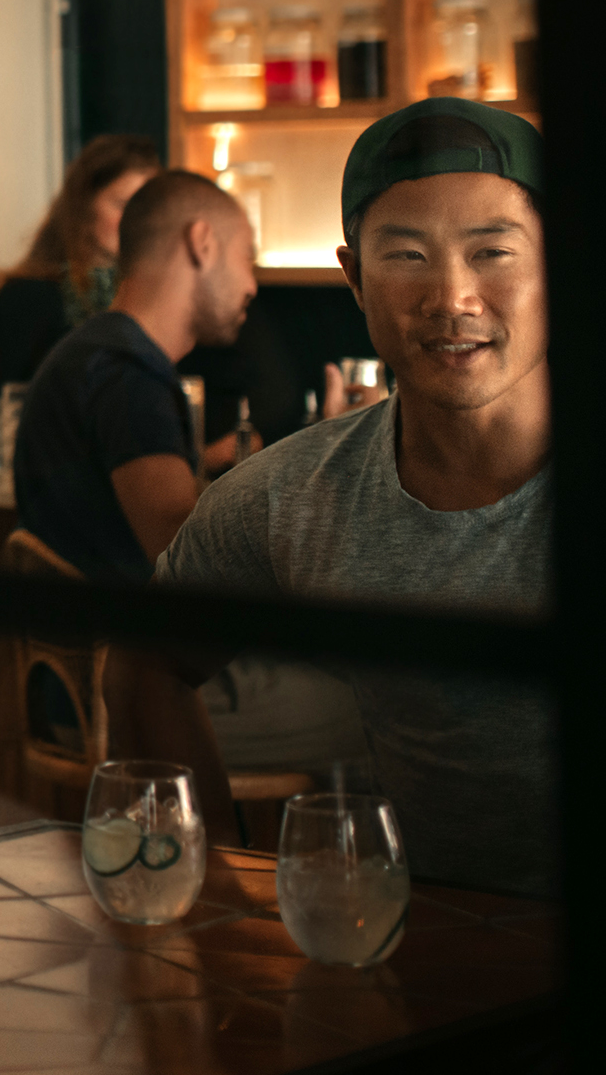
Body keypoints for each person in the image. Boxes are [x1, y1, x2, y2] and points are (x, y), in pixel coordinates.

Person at [139, 98, 554, 897]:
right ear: (354, 279)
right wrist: (216, 880)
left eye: (492, 252)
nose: (451, 297)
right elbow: (146, 659)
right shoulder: (290, 496)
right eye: (406, 256)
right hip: (431, 959)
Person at [12, 169, 259, 585]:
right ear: (202, 244)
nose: (253, 284)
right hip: (117, 648)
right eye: (247, 257)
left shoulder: (100, 352)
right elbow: (190, 568)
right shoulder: (127, 372)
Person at [0, 134, 160, 398]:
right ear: (84, 206)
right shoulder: (27, 296)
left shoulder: (156, 295)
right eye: (123, 205)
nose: (136, 220)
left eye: (146, 207)